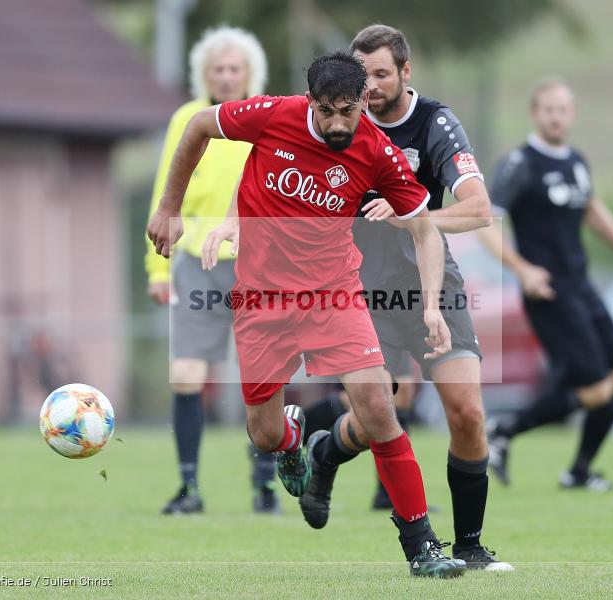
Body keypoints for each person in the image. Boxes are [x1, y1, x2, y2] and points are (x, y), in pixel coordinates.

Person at [149, 49, 466, 578]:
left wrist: (432, 306)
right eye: (328, 111)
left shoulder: (377, 151)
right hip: (261, 299)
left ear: (365, 102)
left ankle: (423, 547)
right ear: (311, 102)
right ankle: (294, 440)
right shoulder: (273, 115)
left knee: (377, 407)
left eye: (350, 110)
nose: (340, 122)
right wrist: (168, 208)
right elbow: (201, 125)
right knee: (265, 435)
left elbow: (424, 229)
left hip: (334, 295)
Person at [297, 25, 513, 571]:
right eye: (360, 74)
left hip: (430, 284)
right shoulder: (336, 118)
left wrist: (412, 217)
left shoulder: (436, 124)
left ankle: (470, 547)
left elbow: (478, 209)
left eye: (380, 74)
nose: (367, 87)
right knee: (379, 415)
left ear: (405, 73)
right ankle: (326, 453)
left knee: (466, 411)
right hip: (358, 291)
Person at [480, 77, 613, 491]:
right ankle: (504, 429)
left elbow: (592, 210)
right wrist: (522, 268)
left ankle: (576, 471)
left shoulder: (576, 162)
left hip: (581, 286)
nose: (556, 117)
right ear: (535, 113)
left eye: (563, 110)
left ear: (573, 114)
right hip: (548, 291)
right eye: (548, 109)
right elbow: (486, 223)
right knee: (596, 388)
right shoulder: (520, 163)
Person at [144, 27, 278, 515]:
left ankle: (264, 488)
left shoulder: (268, 117)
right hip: (195, 264)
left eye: (233, 69)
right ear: (205, 75)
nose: (225, 76)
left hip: (257, 266)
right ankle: (189, 488)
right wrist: (156, 270)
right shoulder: (188, 118)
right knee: (185, 373)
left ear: (249, 75)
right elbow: (166, 193)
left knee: (262, 377)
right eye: (217, 69)